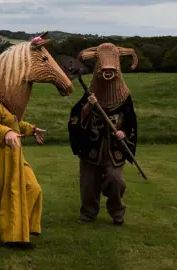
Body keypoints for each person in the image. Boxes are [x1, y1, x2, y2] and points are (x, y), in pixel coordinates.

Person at [0, 33, 74, 249]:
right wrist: (6, 133)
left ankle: (25, 226)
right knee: (3, 195)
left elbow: (15, 124)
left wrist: (31, 129)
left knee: (33, 188)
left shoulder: (9, 108)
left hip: (14, 153)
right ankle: (10, 237)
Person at [68, 43, 138, 225]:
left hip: (113, 148)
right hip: (92, 145)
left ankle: (117, 212)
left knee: (116, 180)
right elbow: (76, 118)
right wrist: (88, 106)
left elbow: (131, 121)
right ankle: (88, 213)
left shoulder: (123, 97)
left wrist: (123, 133)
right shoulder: (89, 94)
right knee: (88, 183)